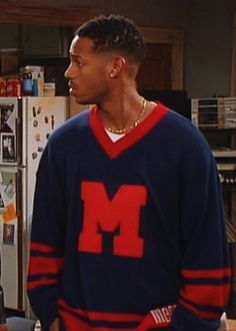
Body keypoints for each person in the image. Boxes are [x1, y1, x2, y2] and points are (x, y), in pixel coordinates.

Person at [27, 14, 231, 331]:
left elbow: (208, 259)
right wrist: (53, 318)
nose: (69, 72)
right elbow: (44, 244)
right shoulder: (64, 145)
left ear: (115, 67)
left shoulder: (186, 147)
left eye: (78, 62)